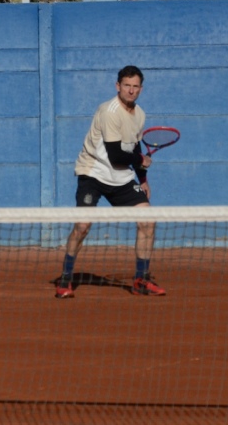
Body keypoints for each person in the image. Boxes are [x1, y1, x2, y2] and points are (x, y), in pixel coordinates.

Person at [55, 65, 165, 298]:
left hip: (121, 178)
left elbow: (133, 147)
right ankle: (65, 278)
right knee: (82, 227)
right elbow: (116, 155)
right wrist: (141, 160)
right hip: (93, 174)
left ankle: (141, 280)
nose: (131, 91)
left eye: (136, 87)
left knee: (148, 220)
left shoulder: (140, 115)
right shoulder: (109, 111)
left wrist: (142, 178)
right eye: (127, 86)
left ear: (141, 89)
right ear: (118, 86)